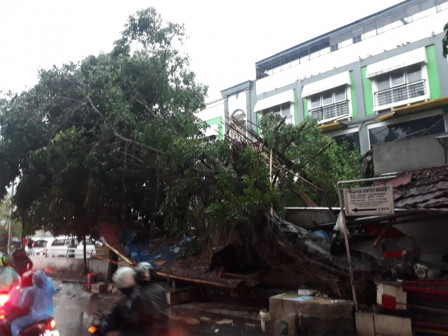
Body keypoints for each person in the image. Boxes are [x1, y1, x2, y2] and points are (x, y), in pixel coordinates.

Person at [9, 270, 57, 336]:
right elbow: (55, 290)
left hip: (35, 316)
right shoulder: (50, 289)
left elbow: (22, 304)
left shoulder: (31, 291)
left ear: (34, 280)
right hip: (49, 315)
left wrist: (14, 303)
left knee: (14, 324)